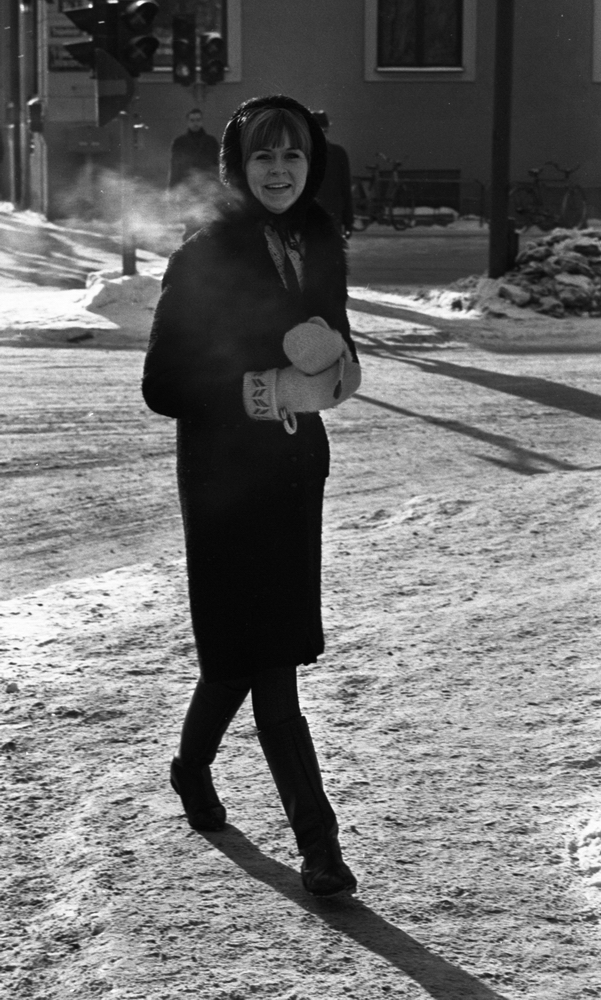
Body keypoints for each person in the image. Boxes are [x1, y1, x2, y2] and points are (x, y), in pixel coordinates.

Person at [143, 94, 362, 897]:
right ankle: (320, 846)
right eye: (263, 155)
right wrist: (266, 391)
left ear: (312, 164)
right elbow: (163, 384)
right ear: (237, 166)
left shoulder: (319, 242)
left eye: (293, 154)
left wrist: (340, 371)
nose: (279, 170)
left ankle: (189, 768)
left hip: (295, 475)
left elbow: (332, 341)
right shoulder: (205, 254)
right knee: (267, 665)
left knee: (245, 657)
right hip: (225, 482)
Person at [168, 108, 220, 240]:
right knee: (190, 225)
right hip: (187, 189)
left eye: (198, 120)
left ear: (202, 121)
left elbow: (217, 167)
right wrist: (172, 189)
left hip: (206, 189)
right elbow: (174, 167)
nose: (195, 123)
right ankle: (188, 251)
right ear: (188, 122)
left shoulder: (211, 142)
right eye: (192, 120)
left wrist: (218, 188)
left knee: (206, 224)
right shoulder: (179, 142)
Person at [312, 110, 354, 238]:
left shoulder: (301, 155)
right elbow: (345, 190)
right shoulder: (338, 153)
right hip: (331, 216)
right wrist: (348, 222)